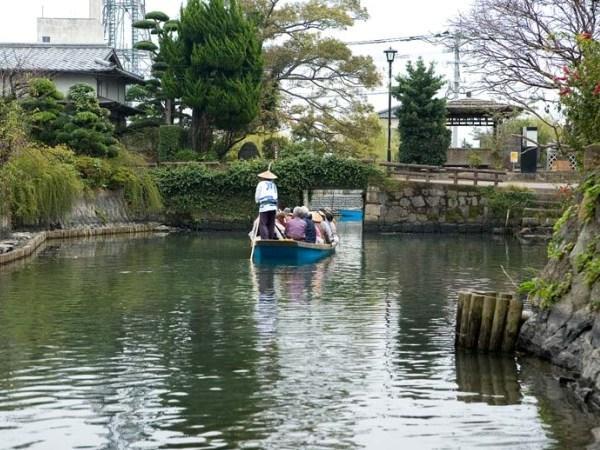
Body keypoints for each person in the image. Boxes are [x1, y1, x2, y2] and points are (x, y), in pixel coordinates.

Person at [255, 168, 278, 240]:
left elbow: (257, 196)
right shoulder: (274, 185)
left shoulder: (261, 184)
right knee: (271, 223)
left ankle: (265, 239)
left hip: (264, 206)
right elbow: (276, 196)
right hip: (273, 206)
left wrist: (257, 201)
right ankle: (270, 239)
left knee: (263, 223)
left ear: (263, 178)